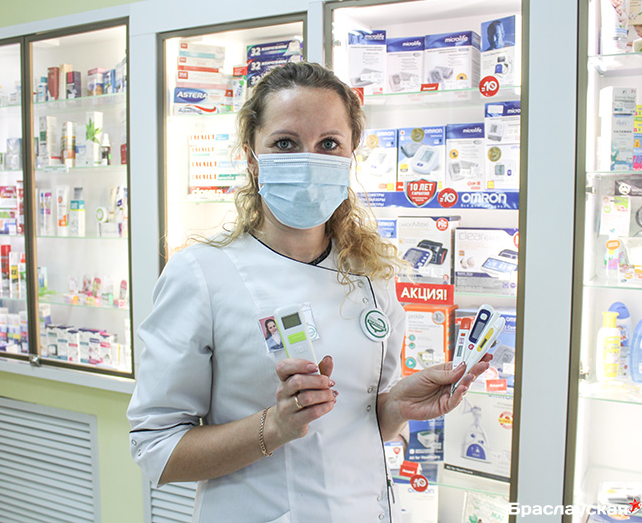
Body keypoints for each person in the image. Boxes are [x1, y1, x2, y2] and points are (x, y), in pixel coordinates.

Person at [127, 61, 491, 522]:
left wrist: (396, 406)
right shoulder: (201, 273)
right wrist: (275, 426)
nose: (308, 161)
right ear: (251, 157)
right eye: (285, 143)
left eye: (329, 144)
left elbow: (359, 425)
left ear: (351, 155)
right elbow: (156, 448)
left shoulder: (370, 273)